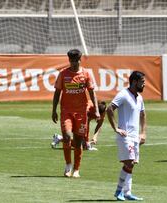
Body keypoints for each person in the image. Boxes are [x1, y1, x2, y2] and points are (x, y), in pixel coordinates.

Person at [52, 49, 100, 178]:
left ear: (80, 60)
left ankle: (77, 169)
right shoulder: (63, 74)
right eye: (71, 61)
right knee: (67, 136)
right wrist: (54, 110)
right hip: (66, 111)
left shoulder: (86, 74)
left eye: (75, 60)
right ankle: (68, 165)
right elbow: (57, 93)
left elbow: (91, 92)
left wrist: (96, 109)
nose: (73, 63)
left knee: (78, 142)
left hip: (81, 112)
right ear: (69, 60)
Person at [106, 71, 146, 201]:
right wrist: (116, 128)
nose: (144, 84)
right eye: (142, 82)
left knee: (132, 164)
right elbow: (109, 108)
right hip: (125, 136)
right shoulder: (123, 94)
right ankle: (119, 191)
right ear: (135, 81)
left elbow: (142, 114)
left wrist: (143, 132)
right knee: (128, 163)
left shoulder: (139, 97)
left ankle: (127, 192)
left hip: (135, 137)